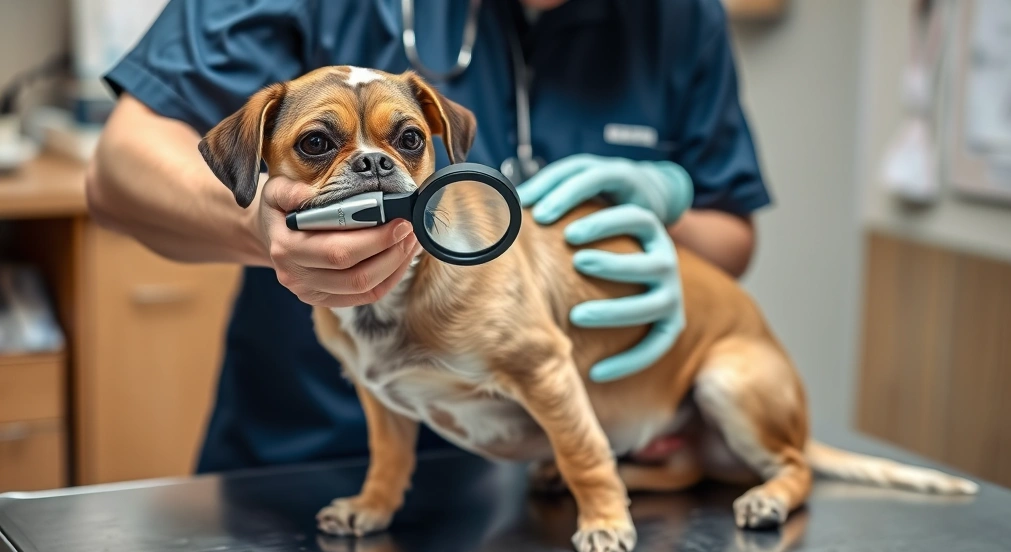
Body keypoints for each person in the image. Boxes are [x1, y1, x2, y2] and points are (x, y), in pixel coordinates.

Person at [87, 0, 771, 474]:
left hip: (543, 480)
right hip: (308, 458)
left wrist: (667, 203)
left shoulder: (681, 17)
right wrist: (261, 219)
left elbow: (731, 234)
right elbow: (118, 169)